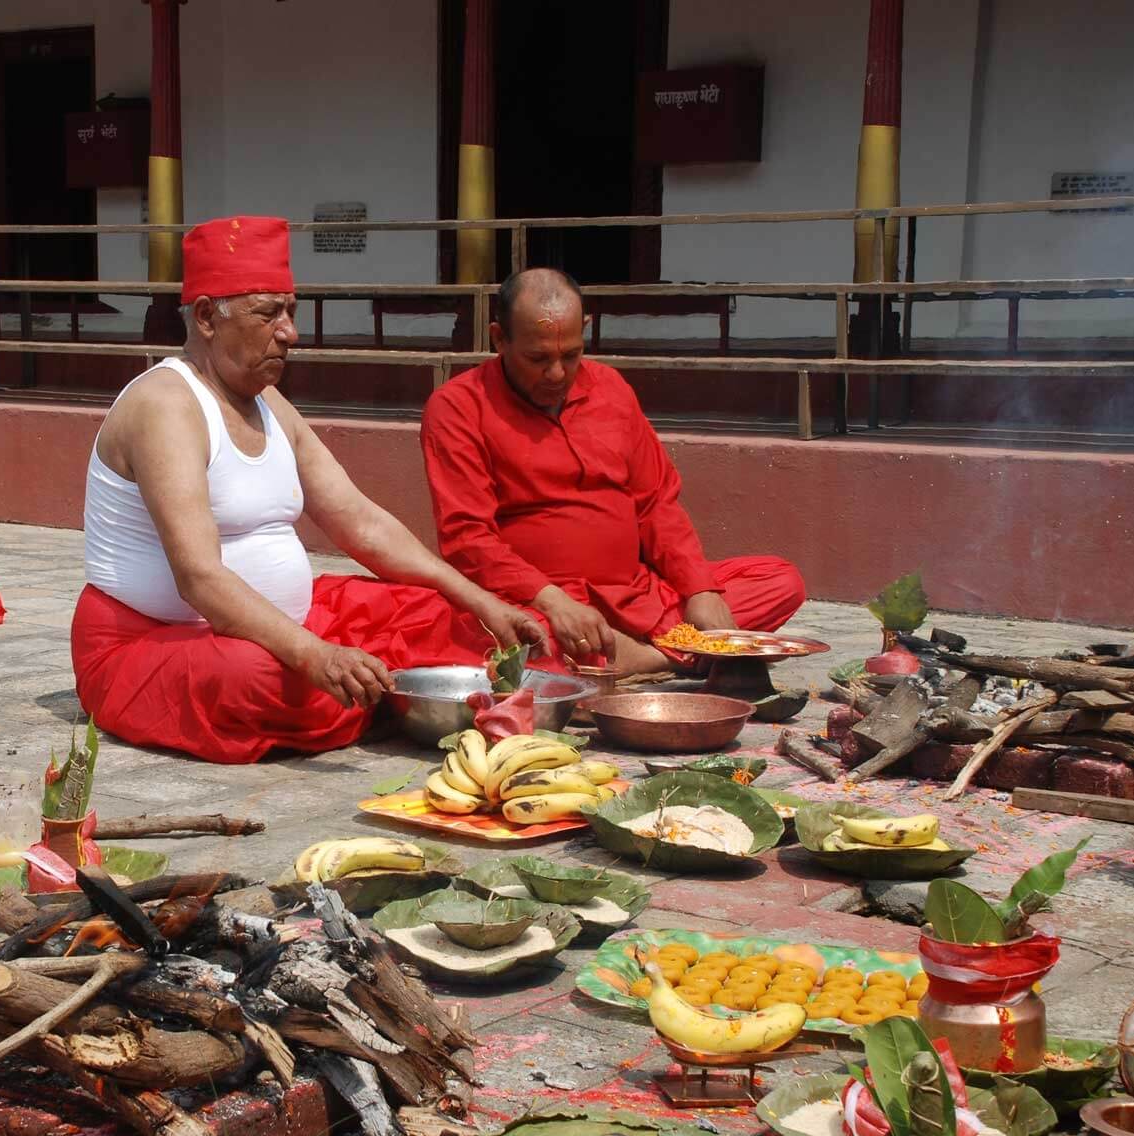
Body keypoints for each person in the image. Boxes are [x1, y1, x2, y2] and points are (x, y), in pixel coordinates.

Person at [72, 215, 546, 763]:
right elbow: (199, 578)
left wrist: (480, 600)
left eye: (290, 312)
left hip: (288, 625)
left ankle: (381, 693)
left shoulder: (266, 400)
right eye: (268, 314)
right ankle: (390, 696)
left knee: (443, 616)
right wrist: (314, 655)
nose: (289, 333)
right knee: (263, 678)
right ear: (205, 317)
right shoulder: (165, 405)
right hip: (151, 642)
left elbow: (360, 523)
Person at [422, 268, 804, 674]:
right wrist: (550, 599)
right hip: (540, 602)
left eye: (571, 355)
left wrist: (699, 590)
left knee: (780, 581)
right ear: (499, 339)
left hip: (638, 595)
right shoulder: (458, 407)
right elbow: (468, 538)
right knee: (507, 633)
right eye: (538, 359)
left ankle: (639, 656)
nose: (557, 374)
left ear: (585, 330)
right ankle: (675, 653)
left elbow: (656, 503)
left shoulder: (611, 388)